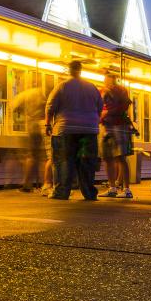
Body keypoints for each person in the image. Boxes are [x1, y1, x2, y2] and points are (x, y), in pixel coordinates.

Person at [45, 60, 103, 201]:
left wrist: (48, 125)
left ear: (69, 70)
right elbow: (100, 107)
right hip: (89, 131)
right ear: (81, 70)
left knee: (63, 161)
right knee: (87, 162)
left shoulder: (62, 86)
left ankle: (61, 192)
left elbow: (50, 106)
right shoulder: (91, 87)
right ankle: (89, 193)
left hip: (65, 130)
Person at [99, 73, 134, 198]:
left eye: (107, 79)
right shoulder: (103, 91)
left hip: (119, 125)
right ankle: (112, 187)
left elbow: (125, 105)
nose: (105, 81)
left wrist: (108, 111)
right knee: (108, 157)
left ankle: (127, 189)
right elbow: (98, 105)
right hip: (106, 125)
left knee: (121, 157)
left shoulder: (121, 90)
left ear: (113, 80)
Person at [12, 75, 49, 193]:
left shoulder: (24, 94)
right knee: (43, 157)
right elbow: (46, 109)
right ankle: (46, 183)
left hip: (31, 126)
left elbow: (13, 106)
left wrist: (23, 113)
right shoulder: (41, 94)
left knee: (31, 156)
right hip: (41, 126)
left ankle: (27, 184)